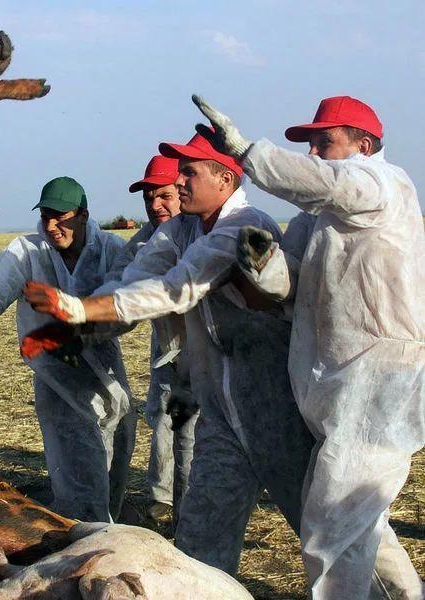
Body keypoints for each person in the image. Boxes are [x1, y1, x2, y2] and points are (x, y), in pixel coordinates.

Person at [22, 133, 318, 577]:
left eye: (188, 173)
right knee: (201, 537)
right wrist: (78, 326)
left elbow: (177, 288)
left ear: (225, 179)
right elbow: (131, 280)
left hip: (273, 407)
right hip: (221, 411)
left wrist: (81, 310)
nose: (177, 183)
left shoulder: (244, 226)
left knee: (323, 528)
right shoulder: (178, 231)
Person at [194, 94, 424, 600]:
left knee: (330, 532)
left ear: (365, 146)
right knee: (358, 522)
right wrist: (266, 267)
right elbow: (291, 286)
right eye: (310, 145)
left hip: (377, 386)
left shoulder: (382, 182)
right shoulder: (314, 220)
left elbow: (327, 182)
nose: (314, 154)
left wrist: (247, 151)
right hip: (333, 385)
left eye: (325, 141)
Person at [0, 176, 138, 522]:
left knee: (119, 445)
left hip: (106, 369)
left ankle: (110, 524)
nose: (51, 226)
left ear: (83, 215)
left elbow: (129, 302)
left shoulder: (111, 249)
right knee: (76, 460)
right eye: (46, 216)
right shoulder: (27, 252)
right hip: (56, 376)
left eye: (60, 217)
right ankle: (84, 531)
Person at [127, 155, 197, 521]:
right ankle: (163, 496)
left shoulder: (201, 234)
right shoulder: (143, 241)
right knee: (163, 417)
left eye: (164, 195)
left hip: (206, 349)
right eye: (149, 197)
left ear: (182, 191)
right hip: (168, 347)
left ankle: (189, 508)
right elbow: (120, 280)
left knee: (192, 430)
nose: (155, 205)